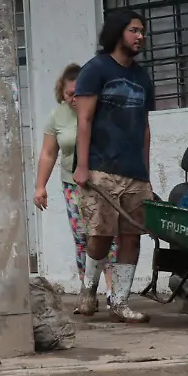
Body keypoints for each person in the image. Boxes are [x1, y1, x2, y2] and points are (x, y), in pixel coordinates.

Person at [73, 9, 155, 324]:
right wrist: (82, 166)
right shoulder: (95, 70)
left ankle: (120, 301)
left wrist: (145, 171)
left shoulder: (142, 76)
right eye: (135, 30)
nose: (140, 37)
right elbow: (85, 120)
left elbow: (145, 126)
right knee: (101, 235)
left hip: (134, 172)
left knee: (132, 236)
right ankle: (89, 291)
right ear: (119, 32)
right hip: (100, 168)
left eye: (142, 31)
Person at [34, 63, 117, 314]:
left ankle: (114, 293)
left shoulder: (102, 112)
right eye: (69, 94)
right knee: (83, 239)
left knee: (108, 239)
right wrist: (40, 186)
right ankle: (87, 293)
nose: (73, 98)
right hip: (73, 185)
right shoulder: (57, 116)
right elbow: (49, 153)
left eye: (78, 93)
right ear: (62, 92)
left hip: (103, 184)